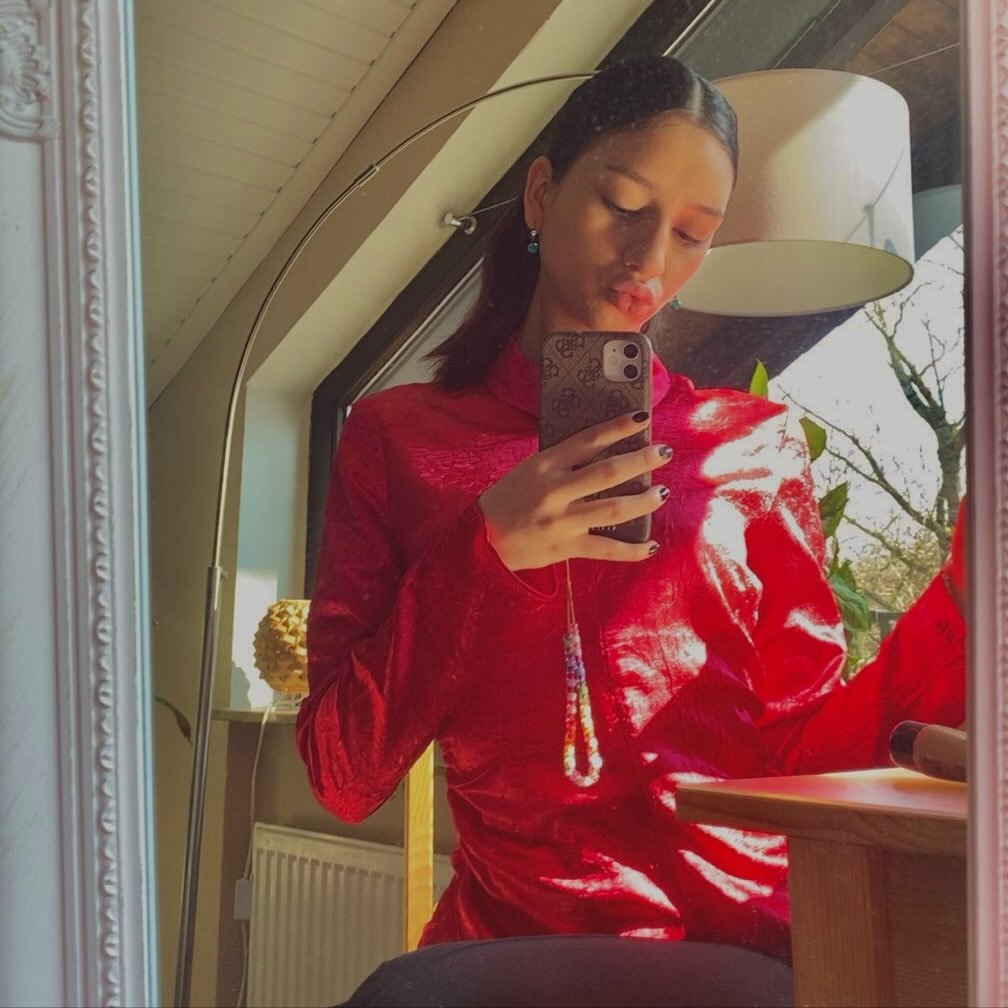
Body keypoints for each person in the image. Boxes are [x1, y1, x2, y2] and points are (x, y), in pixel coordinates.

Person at [295, 55, 966, 1007]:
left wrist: (965, 596)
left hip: (746, 942)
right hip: (515, 951)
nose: (650, 260)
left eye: (693, 234)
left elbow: (805, 754)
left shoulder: (752, 446)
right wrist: (484, 552)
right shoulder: (399, 439)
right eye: (623, 205)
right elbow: (342, 775)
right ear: (541, 193)